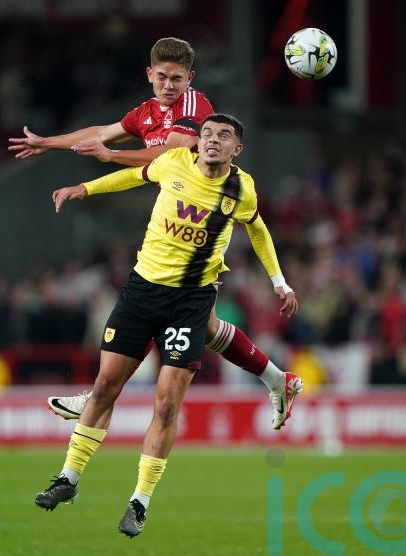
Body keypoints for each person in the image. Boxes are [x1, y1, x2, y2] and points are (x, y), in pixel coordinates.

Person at [9, 37, 302, 430]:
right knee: (208, 327)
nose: (169, 86)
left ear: (190, 79)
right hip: (177, 228)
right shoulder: (147, 112)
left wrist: (109, 156)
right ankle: (277, 380)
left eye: (177, 79)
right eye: (162, 77)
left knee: (158, 308)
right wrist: (50, 144)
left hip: (201, 232)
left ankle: (99, 394)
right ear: (149, 75)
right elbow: (105, 132)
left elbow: (169, 156)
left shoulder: (195, 108)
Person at [34, 114, 299, 537]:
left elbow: (259, 228)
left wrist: (279, 282)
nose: (212, 141)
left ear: (237, 150)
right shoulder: (174, 160)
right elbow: (133, 177)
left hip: (189, 300)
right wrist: (85, 187)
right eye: (207, 134)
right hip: (141, 291)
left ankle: (139, 501)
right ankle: (68, 479)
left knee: (165, 404)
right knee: (104, 388)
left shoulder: (241, 189)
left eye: (223, 137)